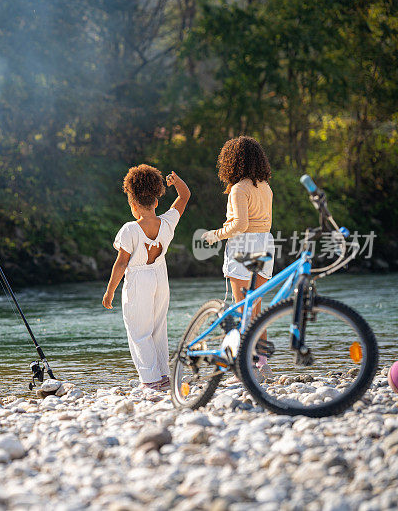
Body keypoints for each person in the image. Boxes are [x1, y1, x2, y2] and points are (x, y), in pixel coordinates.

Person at [103, 165, 190, 391]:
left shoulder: (130, 229)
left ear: (133, 205)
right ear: (157, 202)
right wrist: (176, 181)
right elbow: (184, 196)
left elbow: (121, 262)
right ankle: (163, 375)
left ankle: (150, 381)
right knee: (158, 329)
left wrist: (110, 290)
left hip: (139, 281)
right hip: (161, 278)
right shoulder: (168, 222)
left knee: (139, 332)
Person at [200, 136, 274, 375]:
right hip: (265, 243)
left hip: (244, 246)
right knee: (256, 307)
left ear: (231, 161)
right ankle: (262, 362)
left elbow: (240, 225)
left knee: (243, 308)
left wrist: (215, 235)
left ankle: (248, 363)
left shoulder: (238, 188)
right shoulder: (264, 186)